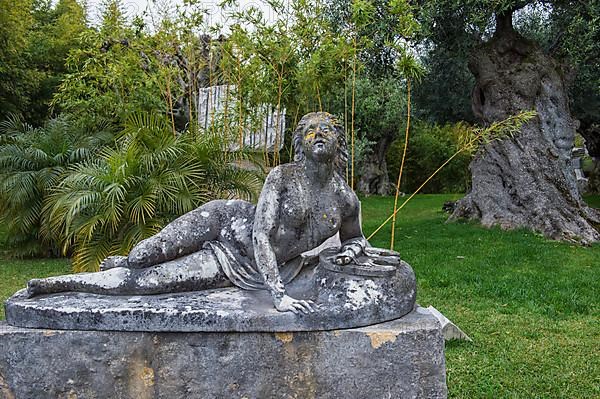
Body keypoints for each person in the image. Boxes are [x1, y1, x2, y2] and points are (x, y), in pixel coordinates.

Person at [27, 112, 368, 314]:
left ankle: (60, 285)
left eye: (326, 130)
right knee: (145, 255)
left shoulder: (345, 200)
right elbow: (261, 234)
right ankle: (125, 261)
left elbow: (357, 239)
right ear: (300, 143)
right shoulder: (282, 176)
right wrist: (278, 295)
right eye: (311, 130)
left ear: (339, 141)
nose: (318, 134)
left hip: (242, 265)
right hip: (225, 224)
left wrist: (352, 249)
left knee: (153, 283)